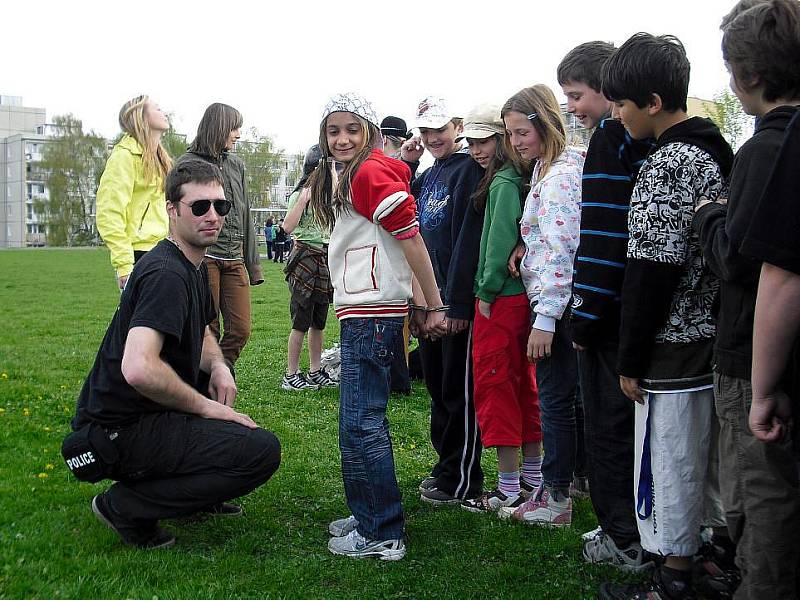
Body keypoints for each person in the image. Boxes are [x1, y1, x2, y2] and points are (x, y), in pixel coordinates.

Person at [63, 158, 281, 550]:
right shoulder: (166, 274)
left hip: (143, 417)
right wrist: (205, 408)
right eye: (199, 207)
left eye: (221, 206)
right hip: (119, 429)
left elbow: (199, 330)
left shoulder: (191, 264)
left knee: (218, 400)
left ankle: (195, 496)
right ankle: (125, 506)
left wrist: (217, 365)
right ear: (172, 210)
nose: (212, 215)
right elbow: (139, 367)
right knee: (259, 452)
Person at [597, 33, 734, 600]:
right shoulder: (717, 151)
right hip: (714, 336)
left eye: (622, 106)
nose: (617, 116)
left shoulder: (667, 163)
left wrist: (630, 358)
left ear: (653, 103)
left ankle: (673, 578)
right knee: (706, 460)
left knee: (670, 458)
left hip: (671, 343)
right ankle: (712, 558)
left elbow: (650, 270)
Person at [304, 93, 446, 560]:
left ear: (367, 129)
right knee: (355, 421)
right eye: (332, 130)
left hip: (372, 311)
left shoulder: (370, 172)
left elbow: (412, 240)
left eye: (351, 128)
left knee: (362, 422)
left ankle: (382, 531)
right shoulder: (351, 173)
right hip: (364, 307)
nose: (342, 139)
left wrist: (433, 303)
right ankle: (369, 513)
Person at [695, 2, 800, 597]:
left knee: (757, 498)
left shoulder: (768, 148)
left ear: (748, 75)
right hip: (763, 349)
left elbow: (743, 259)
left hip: (750, 353)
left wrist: (710, 215)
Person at [557, 41, 654, 571]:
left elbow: (601, 237)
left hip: (607, 316)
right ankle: (640, 526)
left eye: (578, 96)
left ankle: (624, 536)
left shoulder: (611, 141)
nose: (573, 108)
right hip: (637, 313)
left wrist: (585, 316)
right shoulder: (643, 140)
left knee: (609, 430)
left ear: (607, 89)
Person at [496, 84, 584, 528]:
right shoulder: (548, 169)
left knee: (555, 399)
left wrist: (545, 318)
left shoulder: (562, 176)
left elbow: (561, 249)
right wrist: (521, 247)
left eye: (521, 131)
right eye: (510, 134)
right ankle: (569, 483)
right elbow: (543, 237)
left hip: (558, 307)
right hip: (555, 300)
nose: (515, 142)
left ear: (545, 122)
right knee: (564, 398)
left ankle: (556, 496)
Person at [454, 104, 543, 515]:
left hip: (500, 299)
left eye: (484, 140)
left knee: (496, 384)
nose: (475, 149)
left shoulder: (504, 182)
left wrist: (485, 291)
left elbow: (497, 243)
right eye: (470, 141)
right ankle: (533, 477)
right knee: (523, 385)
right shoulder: (515, 177)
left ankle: (509, 486)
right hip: (519, 298)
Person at [401, 96, 485, 506]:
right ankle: (445, 464)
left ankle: (464, 476)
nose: (433, 137)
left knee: (458, 391)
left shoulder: (468, 170)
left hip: (452, 302)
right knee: (436, 387)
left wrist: (456, 304)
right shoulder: (431, 172)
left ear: (458, 125)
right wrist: (410, 162)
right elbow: (406, 216)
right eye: (426, 130)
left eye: (440, 129)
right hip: (429, 300)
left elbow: (468, 241)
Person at [178, 103, 263, 368]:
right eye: (234, 128)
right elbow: (178, 212)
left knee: (241, 329)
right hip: (205, 258)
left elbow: (245, 212)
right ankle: (205, 385)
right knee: (207, 330)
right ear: (219, 128)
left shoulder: (236, 165)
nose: (238, 134)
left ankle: (217, 374)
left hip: (234, 257)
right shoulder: (187, 164)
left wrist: (254, 265)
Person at [96, 95, 173, 290]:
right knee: (144, 319)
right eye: (156, 108)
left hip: (165, 249)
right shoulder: (123, 157)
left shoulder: (162, 160)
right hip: (138, 254)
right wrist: (124, 265)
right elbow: (109, 213)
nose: (163, 112)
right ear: (141, 117)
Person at [281, 144, 337, 391]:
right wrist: (303, 200)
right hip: (304, 256)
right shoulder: (300, 194)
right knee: (300, 320)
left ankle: (315, 370)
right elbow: (287, 227)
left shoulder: (328, 197)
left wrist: (333, 176)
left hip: (323, 257)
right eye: (329, 166)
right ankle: (290, 374)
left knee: (319, 320)